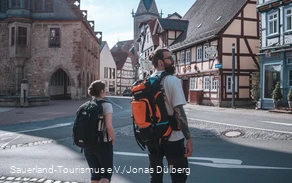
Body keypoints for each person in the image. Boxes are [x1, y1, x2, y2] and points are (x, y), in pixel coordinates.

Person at [147, 48, 193, 183]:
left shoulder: (146, 82)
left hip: (152, 137)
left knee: (155, 177)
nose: (173, 62)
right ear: (160, 62)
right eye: (170, 59)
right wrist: (188, 138)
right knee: (179, 176)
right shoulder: (172, 80)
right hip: (173, 137)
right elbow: (179, 112)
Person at [84, 80, 115, 183]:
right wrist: (112, 138)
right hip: (103, 144)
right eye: (105, 89)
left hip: (87, 145)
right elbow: (109, 126)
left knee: (95, 175)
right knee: (106, 175)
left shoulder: (85, 106)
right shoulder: (106, 105)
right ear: (102, 91)